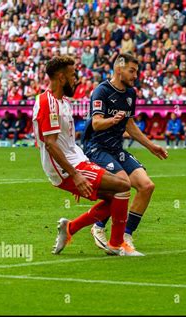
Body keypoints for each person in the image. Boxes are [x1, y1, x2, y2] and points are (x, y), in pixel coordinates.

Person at [33, 55, 142, 256]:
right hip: (65, 170)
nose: (77, 79)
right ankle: (116, 244)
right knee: (123, 185)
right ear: (61, 77)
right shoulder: (48, 103)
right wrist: (74, 175)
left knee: (114, 197)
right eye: (73, 75)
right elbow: (50, 145)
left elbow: (65, 143)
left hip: (77, 160)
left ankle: (71, 228)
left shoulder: (63, 101)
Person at [82, 53, 168, 252]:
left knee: (146, 186)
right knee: (123, 185)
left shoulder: (130, 94)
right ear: (118, 69)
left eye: (136, 71)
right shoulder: (101, 91)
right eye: (132, 70)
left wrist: (151, 146)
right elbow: (96, 123)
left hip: (116, 149)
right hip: (97, 148)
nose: (135, 75)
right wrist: (112, 121)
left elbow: (129, 125)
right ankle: (100, 227)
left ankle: (126, 236)